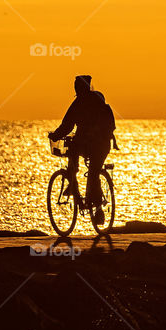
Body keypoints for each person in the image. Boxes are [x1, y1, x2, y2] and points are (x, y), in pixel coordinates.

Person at [48, 75, 118, 225]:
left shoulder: (87, 103)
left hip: (98, 145)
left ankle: (98, 209)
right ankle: (72, 179)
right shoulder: (88, 102)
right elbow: (68, 124)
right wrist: (57, 134)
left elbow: (67, 125)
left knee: (93, 174)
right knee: (77, 153)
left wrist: (55, 135)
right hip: (94, 144)